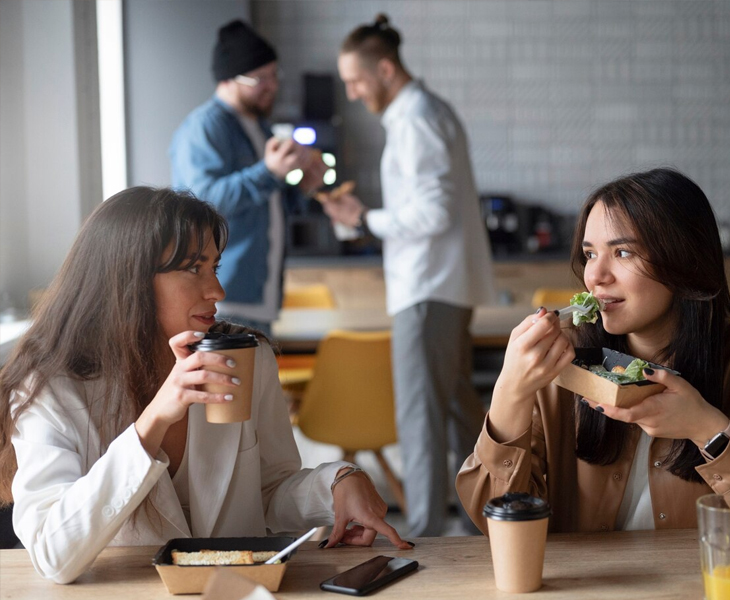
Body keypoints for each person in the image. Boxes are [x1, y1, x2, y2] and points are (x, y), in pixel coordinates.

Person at [0, 188, 411, 584]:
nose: (217, 290)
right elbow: (52, 556)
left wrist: (337, 483)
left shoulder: (245, 358)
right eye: (193, 268)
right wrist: (153, 421)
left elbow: (269, 491)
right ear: (128, 279)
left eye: (213, 267)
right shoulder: (51, 387)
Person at [456, 168, 730, 542]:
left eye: (623, 253)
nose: (596, 276)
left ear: (684, 260)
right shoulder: (561, 360)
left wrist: (706, 428)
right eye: (590, 254)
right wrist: (509, 392)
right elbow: (495, 522)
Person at [326, 15, 495, 537]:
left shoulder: (417, 117)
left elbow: (433, 213)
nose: (353, 93)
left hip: (426, 289)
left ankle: (423, 537)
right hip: (440, 286)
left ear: (384, 68)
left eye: (356, 81)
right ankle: (478, 522)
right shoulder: (421, 114)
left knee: (421, 422)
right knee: (454, 410)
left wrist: (362, 219)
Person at [170, 20, 326, 336]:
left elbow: (268, 206)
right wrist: (269, 172)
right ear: (228, 79)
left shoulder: (261, 127)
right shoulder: (205, 127)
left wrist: (302, 188)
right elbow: (202, 205)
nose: (272, 85)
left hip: (260, 296)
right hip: (220, 299)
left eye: (274, 75)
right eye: (260, 78)